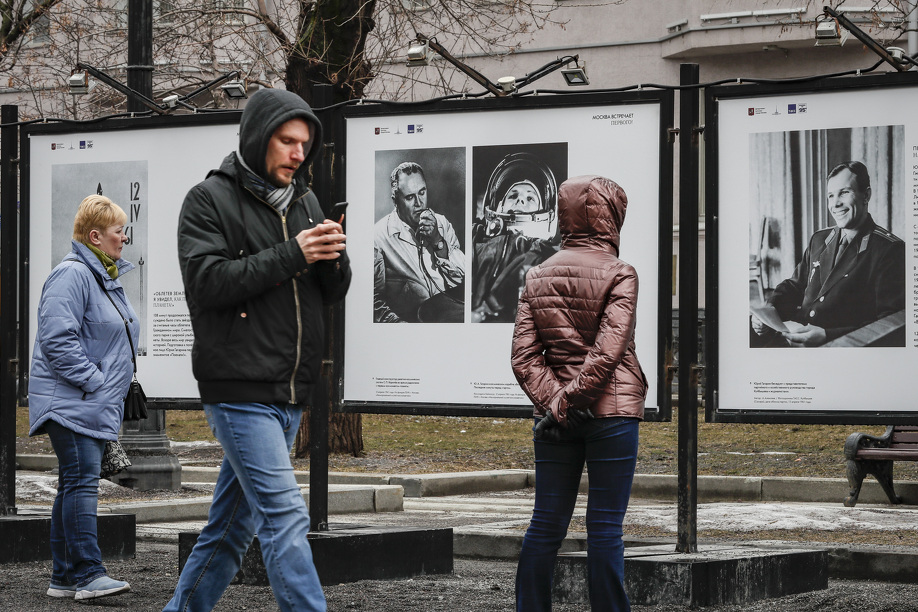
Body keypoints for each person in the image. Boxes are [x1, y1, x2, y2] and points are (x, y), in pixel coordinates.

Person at [163, 88, 350, 612]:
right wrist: (295, 253)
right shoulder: (208, 199)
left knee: (230, 530)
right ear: (256, 138)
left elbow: (331, 292)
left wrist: (334, 258)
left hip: (289, 391)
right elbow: (207, 283)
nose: (298, 153)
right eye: (287, 141)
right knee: (285, 517)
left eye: (304, 144)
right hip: (238, 388)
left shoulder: (306, 202)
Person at [511, 175, 647, 612]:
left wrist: (556, 404)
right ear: (612, 217)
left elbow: (524, 357)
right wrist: (570, 402)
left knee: (545, 525)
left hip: (553, 420)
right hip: (611, 413)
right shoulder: (621, 273)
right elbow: (609, 351)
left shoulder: (537, 275)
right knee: (605, 528)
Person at [28, 194, 136, 601]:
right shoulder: (73, 275)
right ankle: (89, 575)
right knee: (81, 484)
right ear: (95, 236)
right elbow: (58, 340)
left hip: (85, 401)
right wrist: (95, 382)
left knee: (73, 484)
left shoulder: (98, 276)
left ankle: (64, 577)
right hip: (73, 401)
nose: (124, 238)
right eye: (118, 231)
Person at [751, 160, 904, 347]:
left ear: (866, 195)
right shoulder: (820, 239)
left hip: (839, 347)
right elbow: (794, 285)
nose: (835, 204)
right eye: (831, 196)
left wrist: (827, 336)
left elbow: (888, 324)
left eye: (844, 192)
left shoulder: (889, 250)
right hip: (795, 336)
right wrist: (769, 310)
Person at [471, 152, 560, 323]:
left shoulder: (546, 256)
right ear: (499, 207)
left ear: (545, 214)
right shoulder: (475, 238)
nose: (520, 200)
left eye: (530, 197)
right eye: (513, 196)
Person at [373, 161, 465, 322]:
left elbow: (463, 279)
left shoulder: (441, 223)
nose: (419, 203)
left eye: (422, 192)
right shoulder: (378, 236)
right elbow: (374, 302)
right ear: (395, 200)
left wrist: (437, 241)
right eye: (410, 197)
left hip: (452, 316)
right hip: (413, 323)